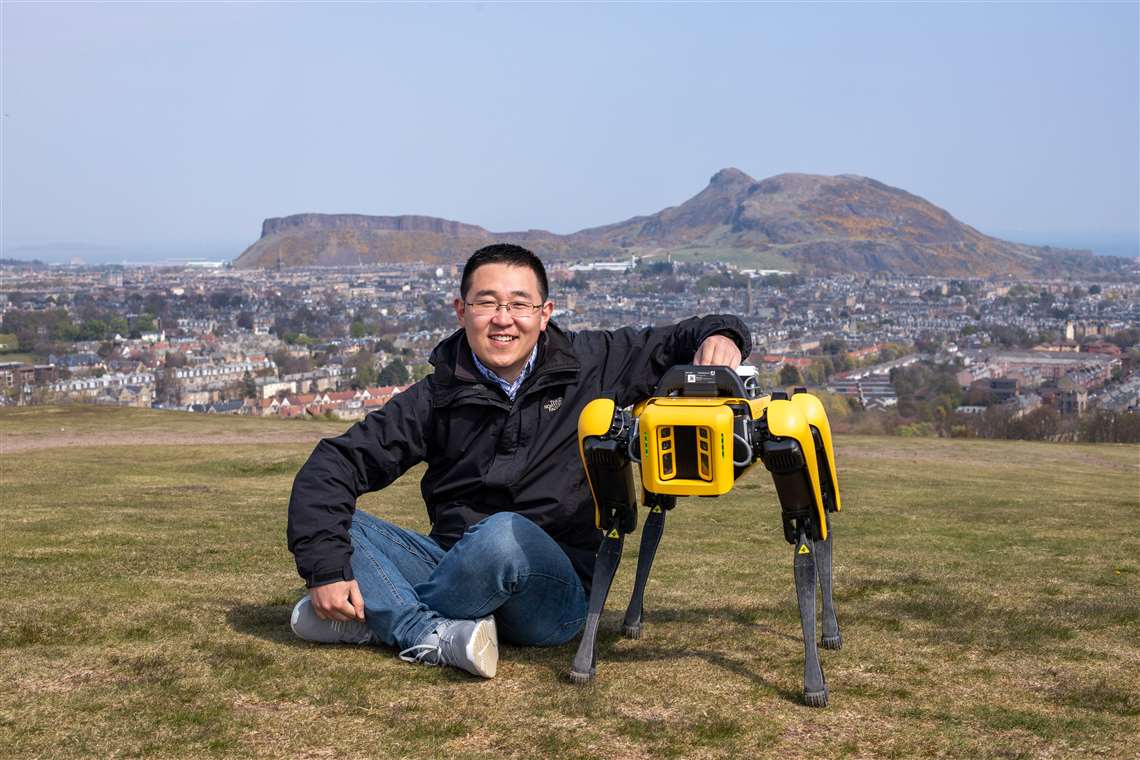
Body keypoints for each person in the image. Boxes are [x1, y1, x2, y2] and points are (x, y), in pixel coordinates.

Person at [287, 244, 750, 678]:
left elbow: (682, 337)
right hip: (456, 566)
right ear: (461, 310)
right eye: (486, 303)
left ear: (544, 314)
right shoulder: (435, 397)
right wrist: (327, 570)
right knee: (340, 524)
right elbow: (333, 466)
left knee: (503, 533)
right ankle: (427, 632)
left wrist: (723, 337)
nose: (503, 319)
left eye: (520, 304)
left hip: (555, 594)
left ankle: (385, 618)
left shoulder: (594, 365)